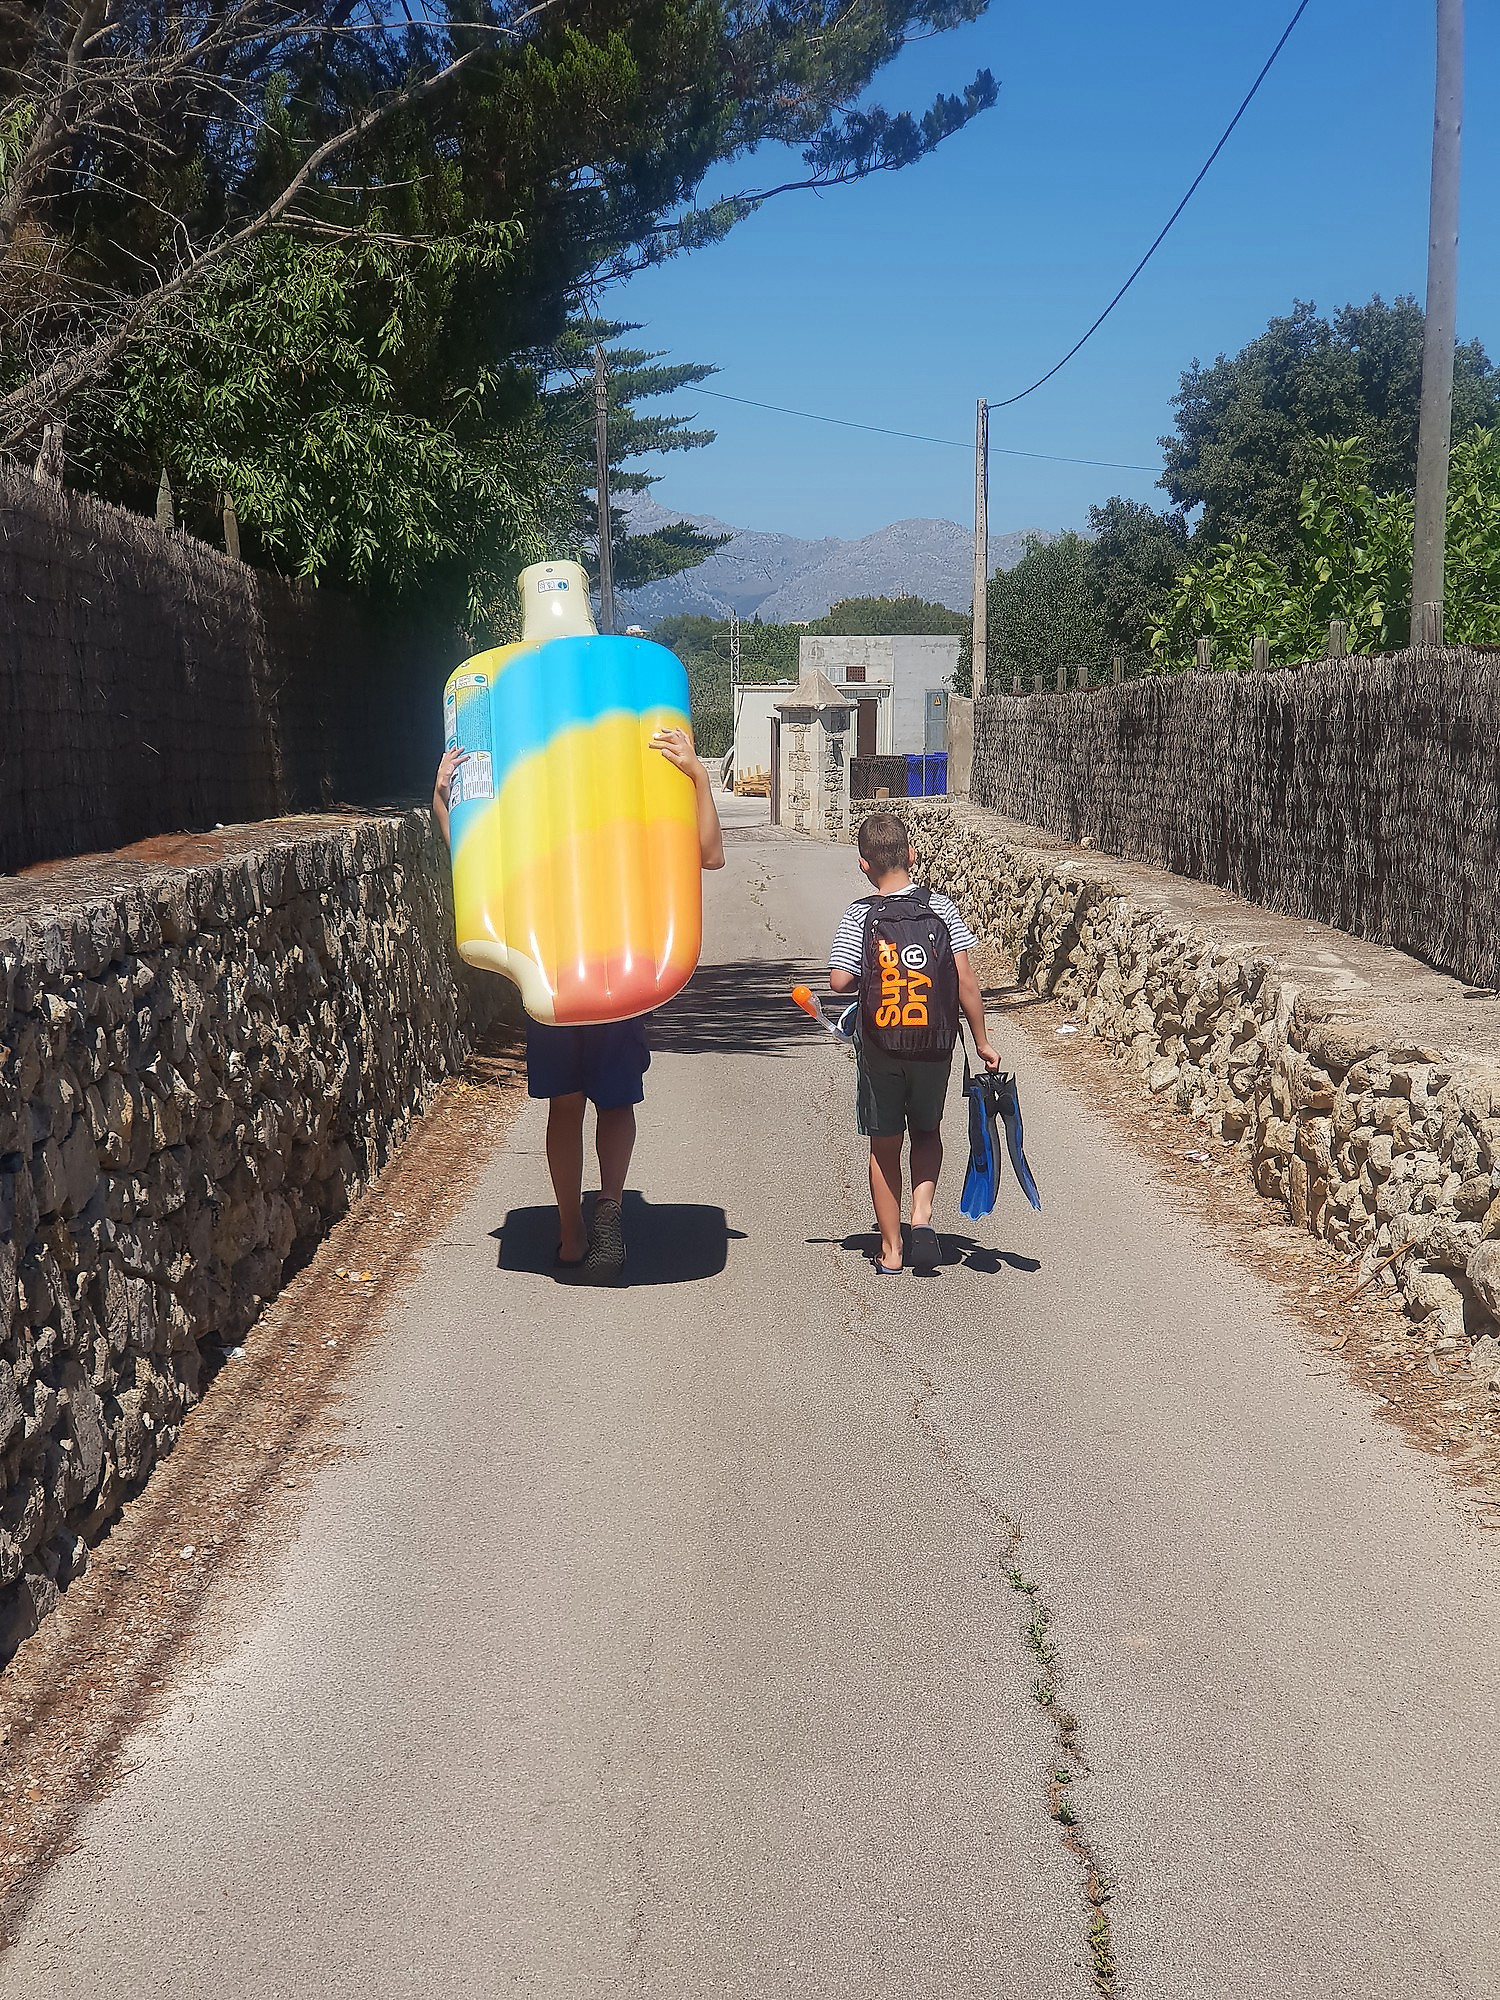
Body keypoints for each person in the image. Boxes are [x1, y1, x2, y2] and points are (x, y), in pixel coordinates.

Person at [434, 726, 724, 1282]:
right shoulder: (632, 812)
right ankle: (608, 1208)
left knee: (564, 1106)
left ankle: (572, 1233)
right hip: (617, 968)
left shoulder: (538, 813)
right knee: (614, 1102)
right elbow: (709, 854)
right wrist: (699, 780)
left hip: (554, 973)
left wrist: (444, 804)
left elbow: (475, 865)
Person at [828, 810, 998, 1275]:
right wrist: (981, 1041)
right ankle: (921, 1219)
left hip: (880, 1046)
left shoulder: (859, 914)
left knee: (884, 1144)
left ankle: (891, 1250)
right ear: (912, 854)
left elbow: (840, 980)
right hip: (934, 1043)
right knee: (926, 1131)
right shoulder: (941, 908)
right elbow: (965, 980)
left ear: (863, 865)